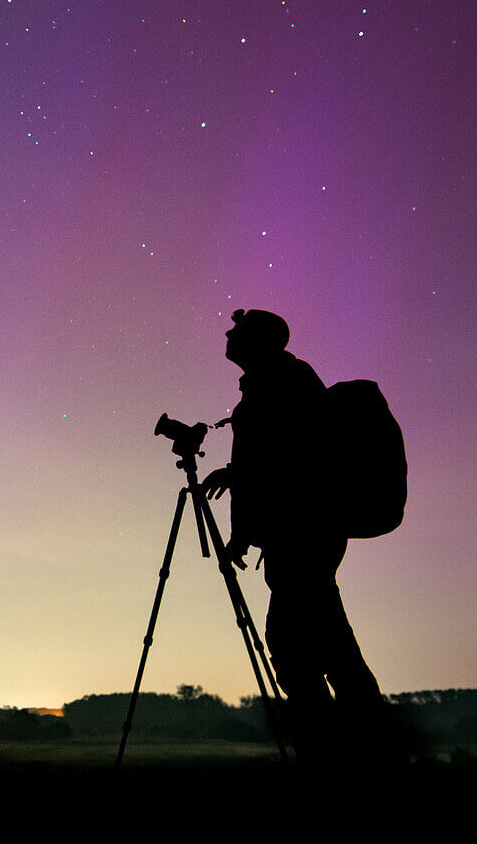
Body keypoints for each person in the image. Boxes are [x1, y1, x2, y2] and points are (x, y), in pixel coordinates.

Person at [198, 309, 384, 762]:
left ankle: (335, 752)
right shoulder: (277, 381)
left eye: (237, 330)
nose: (227, 333)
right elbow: (274, 459)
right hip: (303, 538)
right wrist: (237, 479)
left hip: (303, 539)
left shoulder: (281, 382)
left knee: (301, 650)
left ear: (259, 341)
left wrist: (242, 527)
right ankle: (361, 749)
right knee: (324, 645)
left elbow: (287, 463)